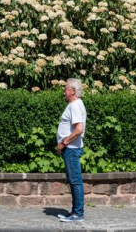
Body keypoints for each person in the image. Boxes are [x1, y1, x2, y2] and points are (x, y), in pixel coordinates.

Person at [56, 78, 87, 223]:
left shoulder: (74, 105)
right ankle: (75, 212)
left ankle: (78, 214)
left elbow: (79, 129)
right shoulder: (75, 105)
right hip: (71, 149)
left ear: (73, 91)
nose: (64, 91)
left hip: (71, 149)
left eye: (66, 88)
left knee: (75, 181)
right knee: (74, 180)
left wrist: (64, 142)